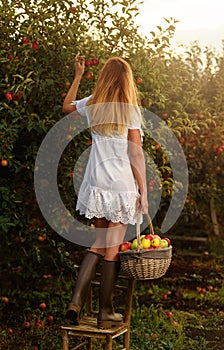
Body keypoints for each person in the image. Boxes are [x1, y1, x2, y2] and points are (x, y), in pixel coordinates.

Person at [62, 53, 148, 329]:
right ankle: (105, 312)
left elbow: (65, 107)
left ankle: (75, 303)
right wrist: (143, 192)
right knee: (111, 249)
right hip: (121, 185)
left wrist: (77, 76)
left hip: (97, 183)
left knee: (98, 244)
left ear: (104, 79)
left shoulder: (93, 104)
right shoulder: (130, 110)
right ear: (126, 82)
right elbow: (135, 155)